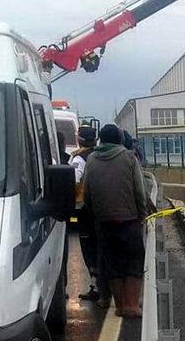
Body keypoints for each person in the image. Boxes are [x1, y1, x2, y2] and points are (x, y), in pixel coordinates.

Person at [84, 124, 147, 318]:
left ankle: (119, 307)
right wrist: (142, 214)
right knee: (134, 262)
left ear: (101, 139)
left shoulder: (91, 159)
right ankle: (132, 306)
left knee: (113, 265)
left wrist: (96, 213)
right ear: (120, 138)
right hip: (129, 220)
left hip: (103, 222)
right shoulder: (129, 157)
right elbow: (139, 190)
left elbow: (86, 193)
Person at [70, 125, 111, 306]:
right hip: (102, 206)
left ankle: (96, 287)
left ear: (80, 139)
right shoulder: (99, 154)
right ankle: (107, 286)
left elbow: (74, 177)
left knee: (89, 249)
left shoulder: (79, 158)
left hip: (84, 208)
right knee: (102, 246)